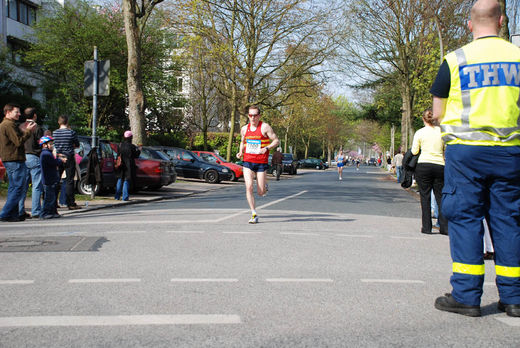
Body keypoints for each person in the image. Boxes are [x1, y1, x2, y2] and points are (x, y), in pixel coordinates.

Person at [431, 0, 520, 317]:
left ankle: (467, 296)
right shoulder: (518, 57)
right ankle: (514, 298)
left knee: (466, 218)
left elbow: (438, 113)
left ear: (470, 24)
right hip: (511, 152)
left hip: (466, 152)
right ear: (501, 21)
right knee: (508, 219)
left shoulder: (455, 60)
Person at [236, 105, 279, 224]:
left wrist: (267, 148)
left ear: (259, 116)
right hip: (248, 161)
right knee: (249, 187)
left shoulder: (265, 127)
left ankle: (265, 185)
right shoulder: (244, 129)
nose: (253, 117)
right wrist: (240, 152)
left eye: (255, 115)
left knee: (260, 192)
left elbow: (276, 141)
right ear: (248, 116)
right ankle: (253, 213)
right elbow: (242, 141)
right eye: (250, 115)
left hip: (261, 162)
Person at [411, 109, 448, 236]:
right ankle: (444, 227)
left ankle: (426, 227)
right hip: (439, 165)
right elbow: (445, 149)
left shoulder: (420, 133)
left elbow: (415, 151)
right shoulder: (442, 132)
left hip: (424, 165)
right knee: (441, 197)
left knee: (425, 197)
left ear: (423, 119)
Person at [0, 103, 36, 222]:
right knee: (18, 188)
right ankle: (5, 213)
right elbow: (18, 142)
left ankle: (13, 214)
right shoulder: (8, 125)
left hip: (10, 159)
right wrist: (28, 131)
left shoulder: (8, 124)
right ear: (8, 112)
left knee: (13, 187)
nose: (19, 114)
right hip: (14, 159)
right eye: (17, 112)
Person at [18, 107, 44, 219]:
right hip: (34, 156)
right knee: (36, 185)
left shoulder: (20, 127)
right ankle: (35, 210)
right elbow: (41, 143)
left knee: (22, 185)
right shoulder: (37, 128)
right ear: (34, 116)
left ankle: (20, 210)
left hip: (22, 157)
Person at [53, 115, 81, 210]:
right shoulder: (71, 132)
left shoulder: (55, 133)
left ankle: (53, 202)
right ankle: (70, 203)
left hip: (58, 156)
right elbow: (77, 145)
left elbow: (54, 145)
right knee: (69, 180)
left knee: (56, 180)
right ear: (67, 122)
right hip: (69, 156)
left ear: (59, 122)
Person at [39, 136, 66, 219]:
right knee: (48, 198)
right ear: (44, 145)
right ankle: (44, 213)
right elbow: (54, 163)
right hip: (48, 179)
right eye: (50, 144)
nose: (52, 145)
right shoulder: (46, 154)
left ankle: (52, 212)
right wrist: (61, 160)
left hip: (51, 178)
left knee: (52, 197)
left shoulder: (47, 153)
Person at [114, 131, 140, 201]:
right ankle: (125, 197)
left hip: (121, 164)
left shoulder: (120, 145)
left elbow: (118, 154)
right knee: (126, 180)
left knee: (119, 179)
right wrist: (139, 150)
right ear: (131, 138)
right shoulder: (132, 146)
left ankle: (117, 196)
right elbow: (136, 155)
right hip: (129, 165)